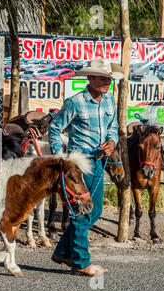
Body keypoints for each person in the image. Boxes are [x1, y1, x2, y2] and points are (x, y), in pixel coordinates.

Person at [48, 58, 122, 277]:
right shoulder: (75, 102)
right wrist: (61, 158)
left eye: (108, 78)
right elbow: (55, 128)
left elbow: (113, 127)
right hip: (80, 165)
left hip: (99, 161)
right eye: (102, 78)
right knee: (83, 211)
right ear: (90, 78)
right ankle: (81, 262)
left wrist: (111, 142)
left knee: (96, 210)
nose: (107, 82)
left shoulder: (109, 100)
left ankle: (63, 252)